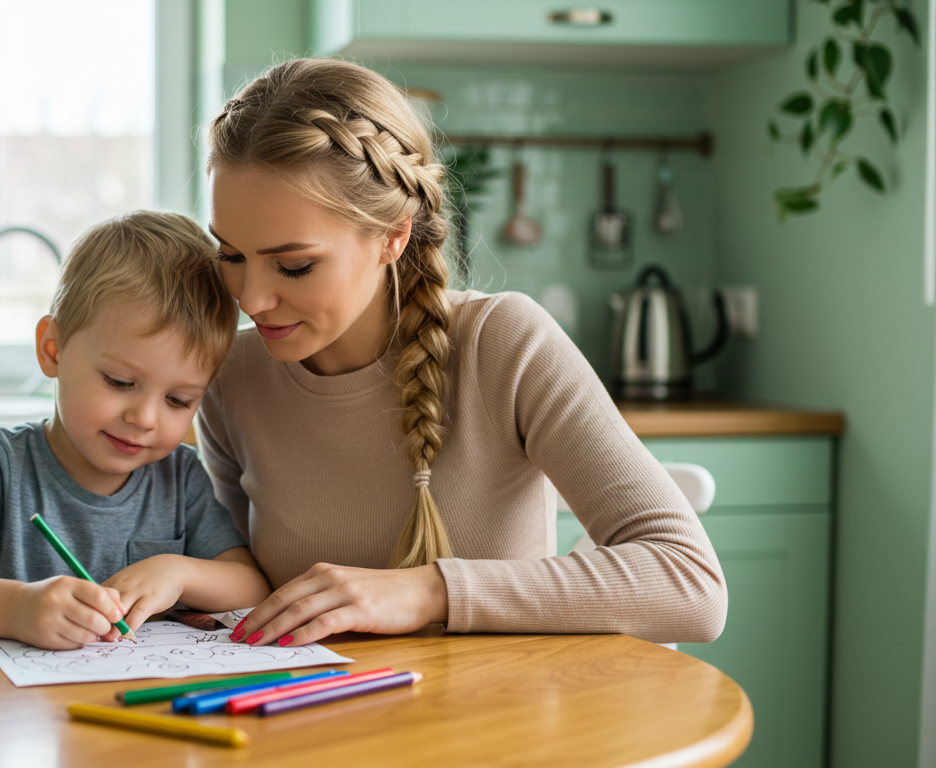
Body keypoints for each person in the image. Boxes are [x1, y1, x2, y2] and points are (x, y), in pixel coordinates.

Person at [196, 58, 727, 649]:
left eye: (294, 265)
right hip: (312, 724)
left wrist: (427, 592)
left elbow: (690, 585)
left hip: (494, 726)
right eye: (231, 255)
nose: (252, 298)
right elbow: (236, 589)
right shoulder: (231, 377)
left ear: (393, 236)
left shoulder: (503, 344)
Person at [0, 211, 270, 650]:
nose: (145, 419)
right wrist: (16, 608)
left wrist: (179, 571)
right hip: (5, 707)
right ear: (53, 350)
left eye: (179, 400)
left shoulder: (179, 477)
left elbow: (252, 588)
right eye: (120, 382)